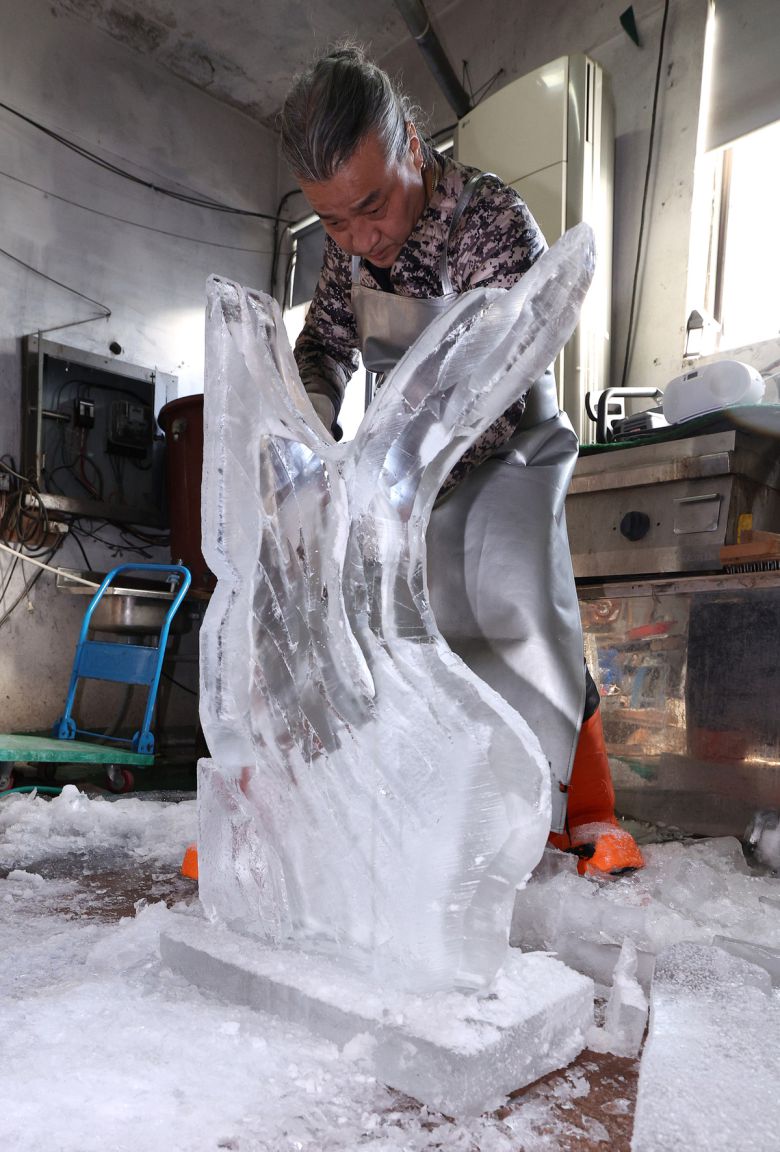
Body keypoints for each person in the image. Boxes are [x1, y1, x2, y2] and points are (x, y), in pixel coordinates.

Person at [279, 45, 643, 876]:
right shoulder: (347, 254)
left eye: (371, 206)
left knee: (521, 615)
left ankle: (585, 812)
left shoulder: (490, 220)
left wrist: (390, 476)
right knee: (390, 627)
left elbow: (497, 385)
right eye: (333, 222)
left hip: (508, 448)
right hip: (401, 462)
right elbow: (323, 349)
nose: (360, 238)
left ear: (411, 146)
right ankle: (410, 811)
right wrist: (312, 428)